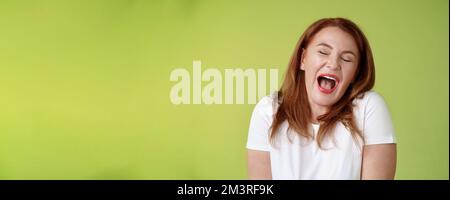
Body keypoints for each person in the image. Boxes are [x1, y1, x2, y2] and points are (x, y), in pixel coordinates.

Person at [246, 18, 397, 180]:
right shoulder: (268, 110)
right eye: (323, 52)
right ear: (303, 59)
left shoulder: (368, 107)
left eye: (346, 59)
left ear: (355, 73)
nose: (333, 64)